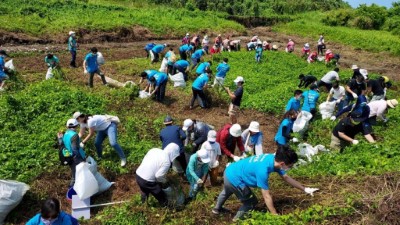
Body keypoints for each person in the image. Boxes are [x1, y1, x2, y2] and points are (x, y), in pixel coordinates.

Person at [212, 146, 319, 222]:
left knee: (227, 191)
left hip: (230, 170)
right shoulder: (262, 170)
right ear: (283, 164)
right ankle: (237, 220)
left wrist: (304, 189)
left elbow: (286, 177)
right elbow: (266, 196)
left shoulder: (272, 158)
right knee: (251, 202)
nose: (289, 168)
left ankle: (216, 209)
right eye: (290, 165)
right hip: (234, 179)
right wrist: (274, 214)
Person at [58, 119, 86, 187]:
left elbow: (62, 144)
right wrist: (81, 159)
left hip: (68, 157)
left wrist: (60, 138)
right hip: (75, 158)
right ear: (76, 126)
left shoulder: (66, 133)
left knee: (74, 174)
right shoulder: (74, 135)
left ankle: (72, 188)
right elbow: (74, 149)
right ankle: (73, 189)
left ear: (67, 126)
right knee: (78, 175)